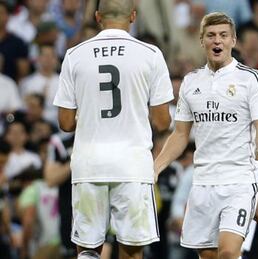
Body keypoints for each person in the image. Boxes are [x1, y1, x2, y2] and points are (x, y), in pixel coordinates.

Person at [52, 0, 174, 258]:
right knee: (131, 251)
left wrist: (90, 116)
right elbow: (163, 122)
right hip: (132, 165)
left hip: (88, 163)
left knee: (87, 249)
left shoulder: (75, 55)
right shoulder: (150, 54)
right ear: (133, 16)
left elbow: (64, 123)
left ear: (97, 17)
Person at [154, 12, 258, 259]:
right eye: (211, 36)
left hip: (239, 181)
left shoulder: (251, 79)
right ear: (202, 41)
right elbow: (180, 135)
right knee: (208, 256)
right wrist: (155, 168)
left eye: (223, 35)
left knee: (228, 253)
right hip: (203, 182)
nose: (217, 41)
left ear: (233, 41)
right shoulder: (191, 82)